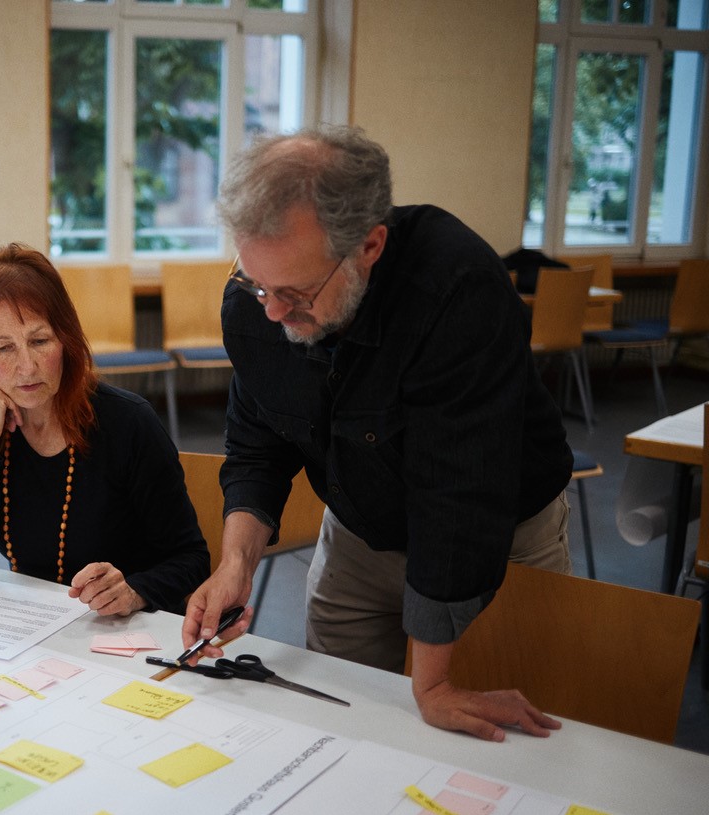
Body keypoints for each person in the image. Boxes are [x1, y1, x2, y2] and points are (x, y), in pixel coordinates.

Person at [181, 126, 574, 743]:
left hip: (497, 539)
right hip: (360, 530)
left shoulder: (456, 290)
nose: (273, 313)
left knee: (492, 743)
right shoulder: (258, 302)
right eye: (259, 285)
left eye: (294, 293)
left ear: (369, 245)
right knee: (339, 729)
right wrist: (236, 563)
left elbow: (458, 497)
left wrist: (434, 684)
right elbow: (258, 445)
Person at [0, 243, 209, 615]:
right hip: (39, 628)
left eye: (40, 341)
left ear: (65, 340)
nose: (27, 367)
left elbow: (192, 559)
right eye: (4, 349)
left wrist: (135, 590)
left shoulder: (128, 422)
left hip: (127, 631)